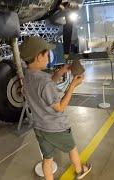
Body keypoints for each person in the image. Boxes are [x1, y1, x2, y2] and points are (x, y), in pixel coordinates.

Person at [20, 36, 92, 180]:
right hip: (56, 127)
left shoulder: (27, 76)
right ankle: (79, 170)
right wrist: (72, 86)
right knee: (72, 148)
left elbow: (42, 89)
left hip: (40, 127)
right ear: (38, 56)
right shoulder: (44, 81)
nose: (49, 57)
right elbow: (59, 107)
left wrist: (59, 73)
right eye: (47, 54)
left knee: (47, 159)